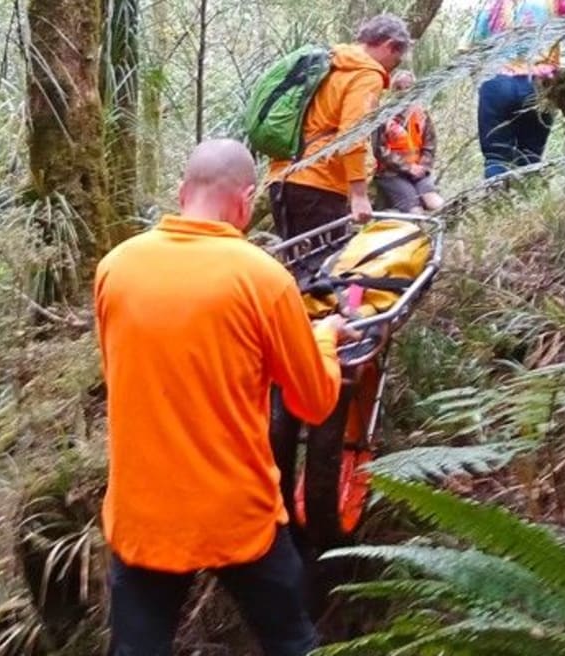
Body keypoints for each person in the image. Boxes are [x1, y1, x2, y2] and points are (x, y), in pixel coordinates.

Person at [93, 138, 356, 656]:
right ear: (248, 198)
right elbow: (314, 403)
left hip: (145, 514)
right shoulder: (263, 279)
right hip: (236, 512)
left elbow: (123, 374)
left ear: (181, 191)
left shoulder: (115, 267)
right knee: (291, 642)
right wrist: (325, 339)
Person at [267, 13, 412, 239]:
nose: (393, 69)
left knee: (296, 268)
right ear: (389, 46)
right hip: (319, 184)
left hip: (282, 179)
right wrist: (359, 194)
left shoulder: (331, 62)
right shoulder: (366, 74)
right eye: (398, 60)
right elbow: (353, 133)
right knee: (322, 270)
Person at [467, 0, 565, 179]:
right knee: (530, 156)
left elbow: (468, 49)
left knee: (495, 158)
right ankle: (526, 204)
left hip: (495, 83)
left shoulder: (491, 5)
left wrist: (480, 82)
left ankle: (496, 204)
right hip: (539, 84)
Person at [372, 70, 445, 213]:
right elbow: (379, 150)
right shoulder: (383, 117)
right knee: (415, 211)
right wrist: (407, 167)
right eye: (399, 88)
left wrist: (422, 166)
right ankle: (420, 233)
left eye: (408, 88)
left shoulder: (422, 114)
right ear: (393, 90)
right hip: (391, 173)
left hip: (419, 170)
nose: (404, 92)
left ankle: (442, 231)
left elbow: (430, 145)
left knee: (435, 203)